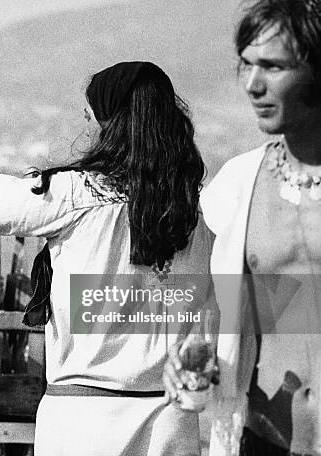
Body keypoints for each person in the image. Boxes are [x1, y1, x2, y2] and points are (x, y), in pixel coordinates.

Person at [0, 61, 215, 456]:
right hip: (172, 422)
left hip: (88, 424)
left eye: (90, 117)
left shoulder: (78, 194)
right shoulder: (194, 214)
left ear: (110, 124)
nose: (87, 129)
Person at [166, 0, 321, 454]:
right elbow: (212, 299)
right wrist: (192, 350)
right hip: (262, 437)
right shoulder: (238, 183)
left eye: (273, 66)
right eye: (247, 66)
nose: (253, 85)